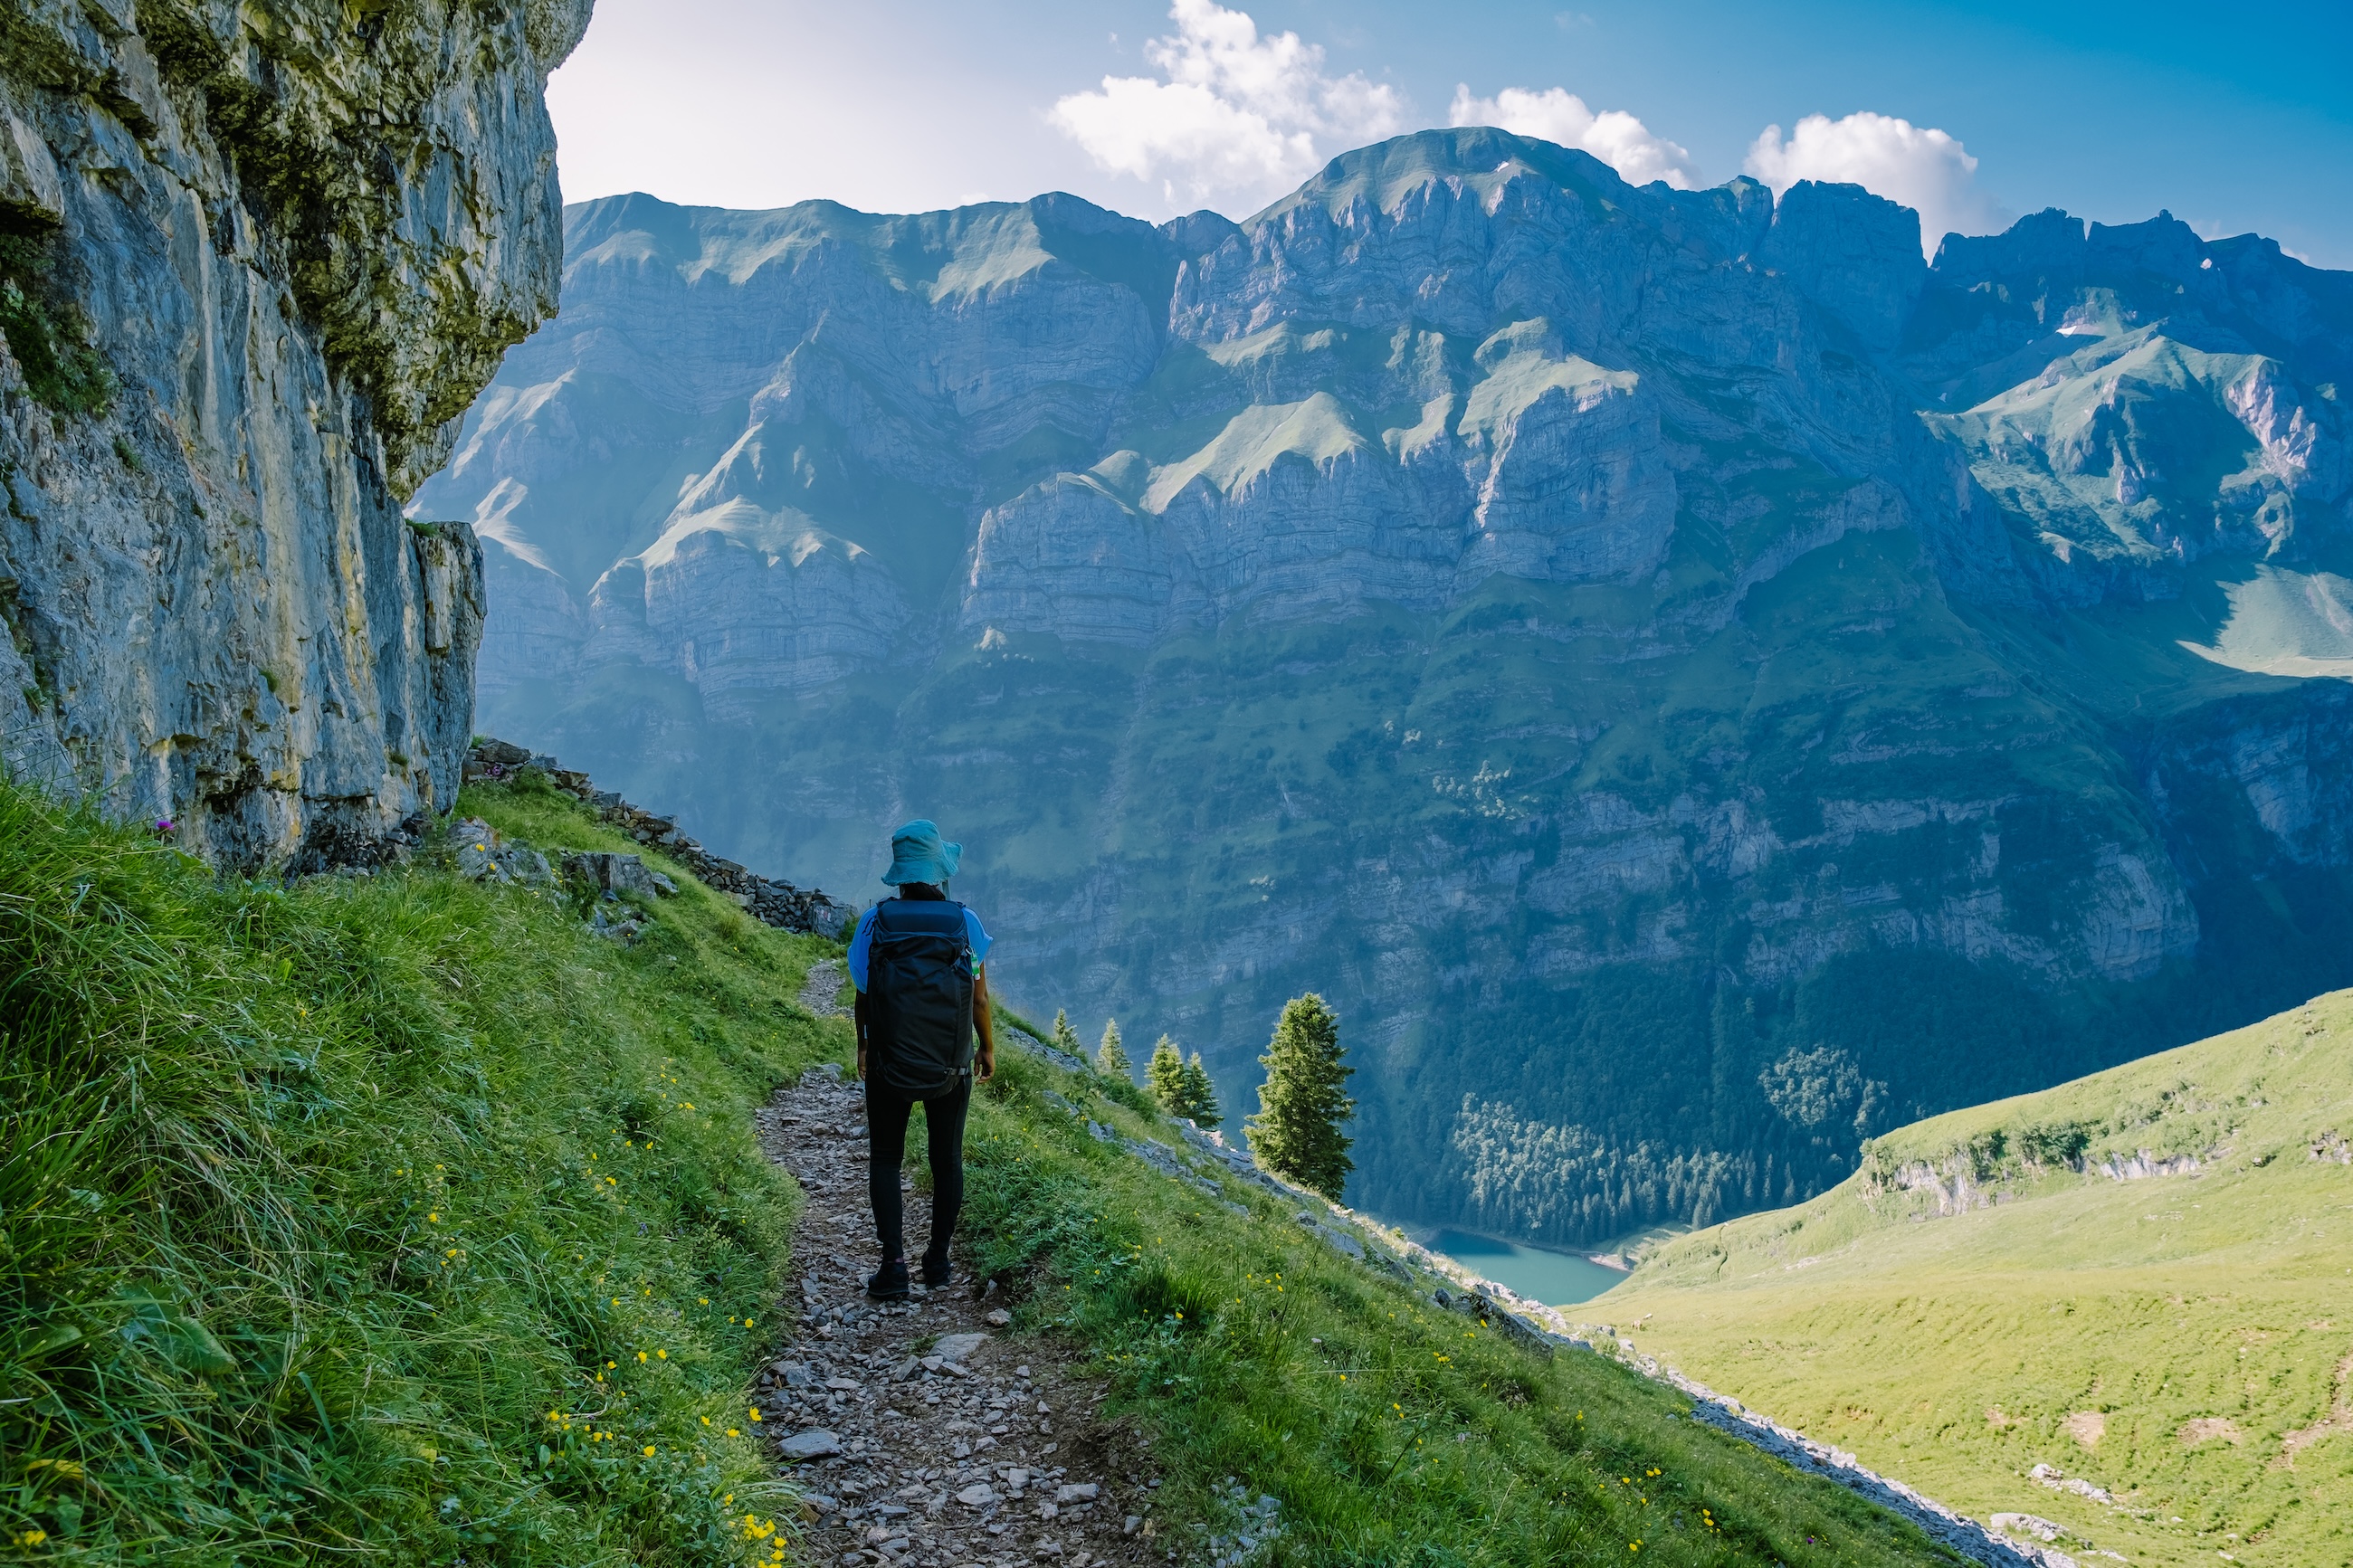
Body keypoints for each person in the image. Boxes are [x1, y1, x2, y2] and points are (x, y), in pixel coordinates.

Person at [846, 819, 995, 1299]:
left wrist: (864, 1044)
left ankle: (893, 1268)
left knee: (886, 1158)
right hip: (951, 1065)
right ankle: (938, 1261)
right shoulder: (964, 923)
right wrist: (986, 1047)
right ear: (938, 871)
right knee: (946, 1159)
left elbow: (864, 992)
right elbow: (978, 999)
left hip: (889, 1062)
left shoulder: (876, 922)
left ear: (901, 873)